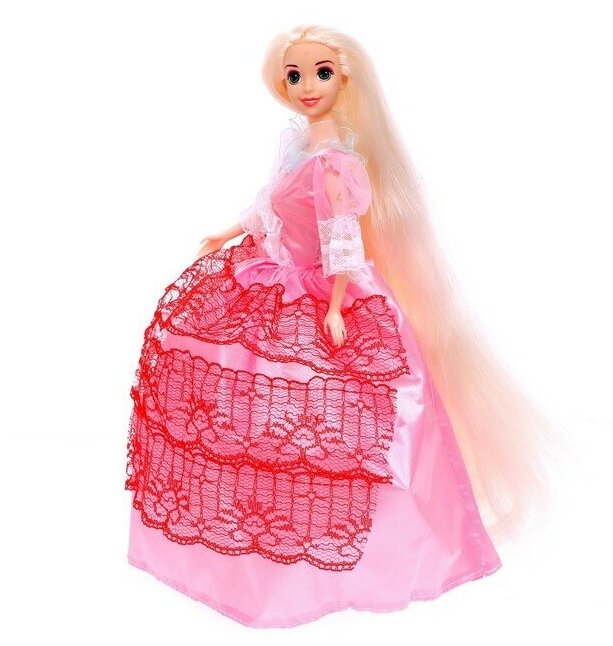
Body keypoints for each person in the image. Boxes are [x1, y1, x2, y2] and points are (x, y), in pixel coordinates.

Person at [125, 24, 568, 628]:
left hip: (318, 288)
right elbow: (271, 204)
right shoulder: (297, 145)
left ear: (345, 77)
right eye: (294, 75)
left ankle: (336, 546)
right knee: (226, 386)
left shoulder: (336, 162)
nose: (307, 86)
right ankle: (251, 549)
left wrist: (335, 305)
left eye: (321, 73)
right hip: (271, 274)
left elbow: (340, 239)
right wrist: (227, 234)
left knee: (323, 417)